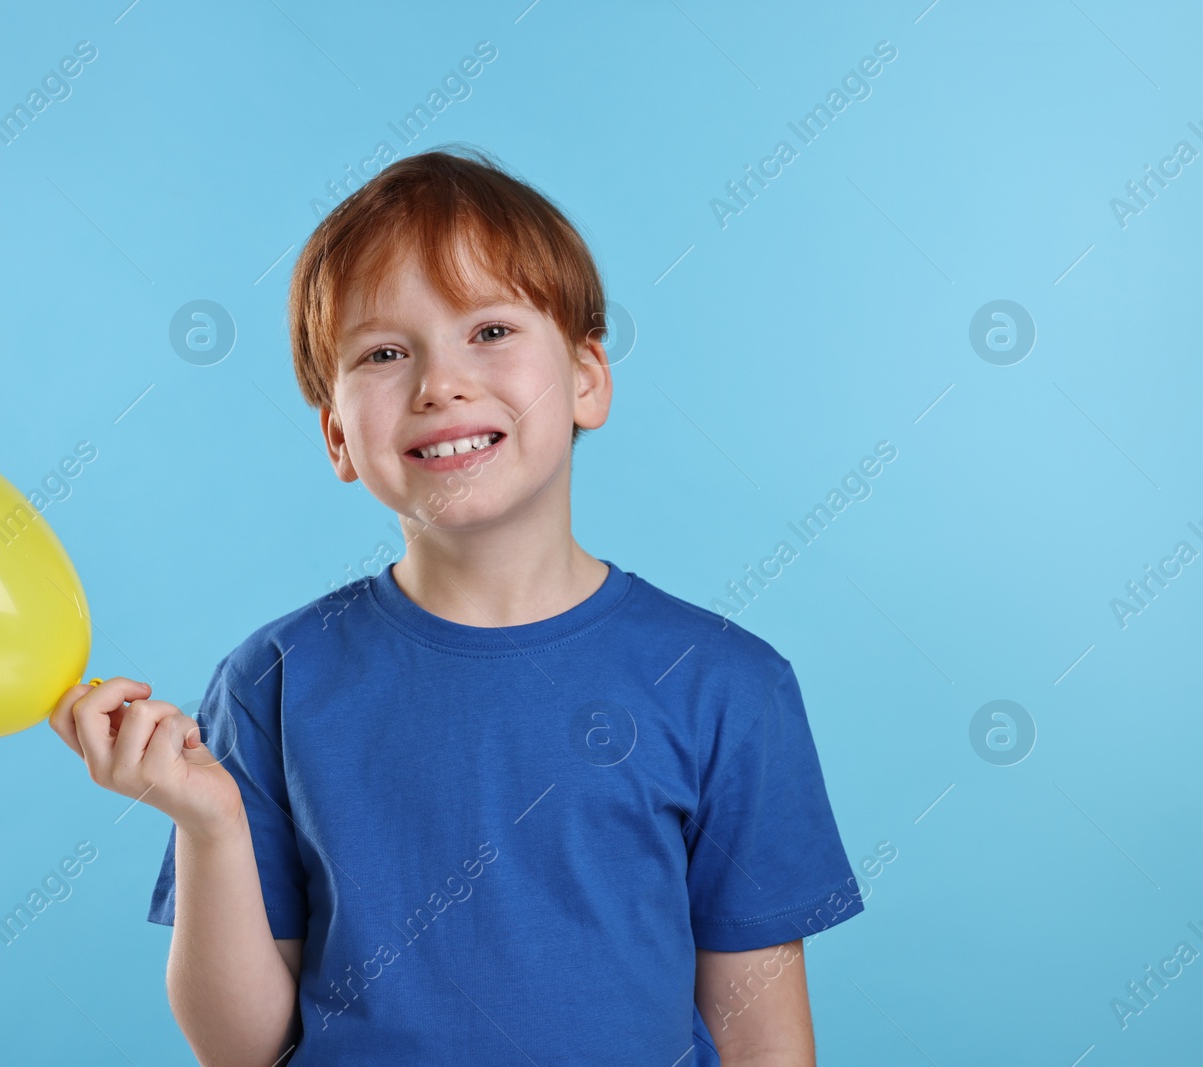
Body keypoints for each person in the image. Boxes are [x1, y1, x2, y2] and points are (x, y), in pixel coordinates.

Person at [48, 144, 864, 1066]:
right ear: (338, 437)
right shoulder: (270, 683)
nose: (441, 383)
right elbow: (241, 1049)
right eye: (386, 352)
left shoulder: (727, 685)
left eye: (491, 331)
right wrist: (208, 822)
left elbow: (764, 1038)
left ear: (587, 379)